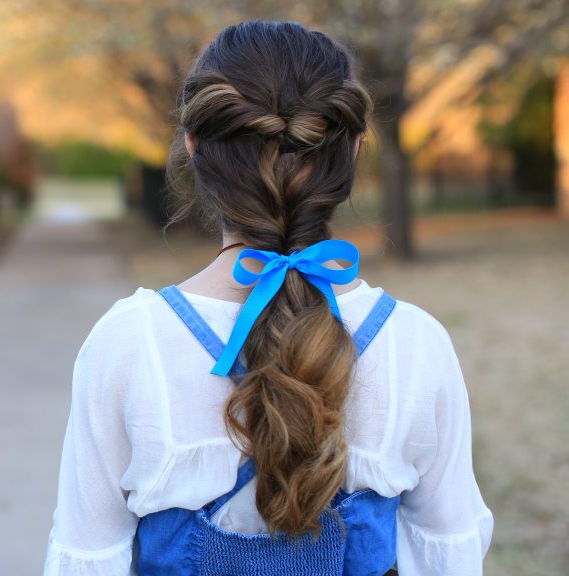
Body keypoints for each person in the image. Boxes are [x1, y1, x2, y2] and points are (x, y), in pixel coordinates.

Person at [43, 19, 493, 576]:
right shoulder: (414, 344)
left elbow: (87, 558)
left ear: (194, 146)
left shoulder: (131, 344)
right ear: (352, 152)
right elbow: (449, 555)